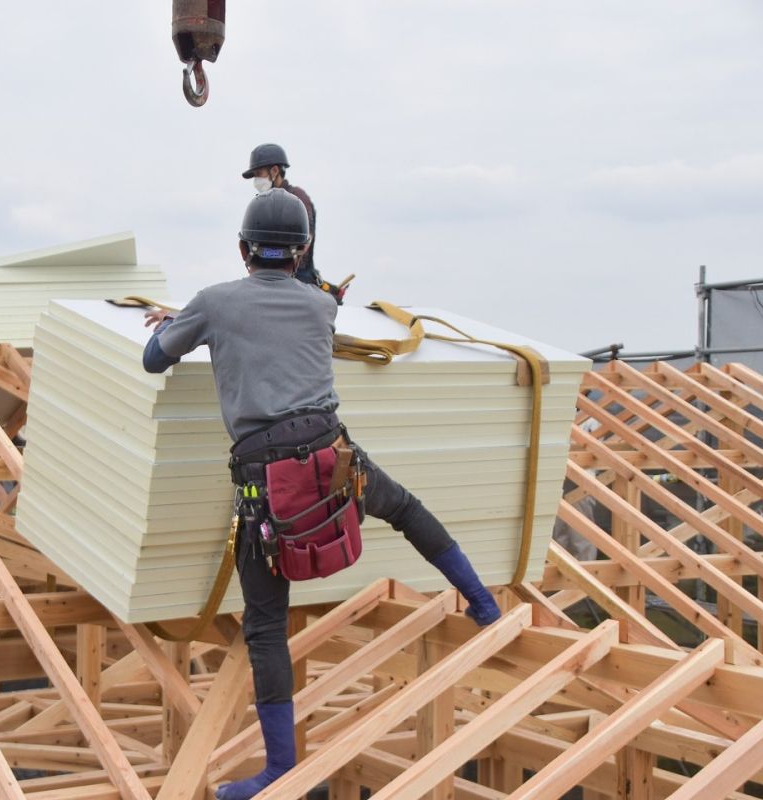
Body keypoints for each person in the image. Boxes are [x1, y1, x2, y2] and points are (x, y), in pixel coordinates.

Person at [142, 189, 500, 800]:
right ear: (303, 249)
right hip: (334, 459)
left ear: (241, 248)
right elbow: (300, 310)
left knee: (264, 624)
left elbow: (155, 358)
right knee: (406, 510)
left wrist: (178, 324)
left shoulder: (215, 303)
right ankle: (482, 602)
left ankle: (280, 767)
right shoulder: (319, 307)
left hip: (267, 481)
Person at [242, 143, 344, 302]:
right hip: (267, 278)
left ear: (275, 171)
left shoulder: (298, 199)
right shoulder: (263, 201)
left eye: (258, 173)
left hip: (297, 279)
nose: (256, 180)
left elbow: (306, 241)